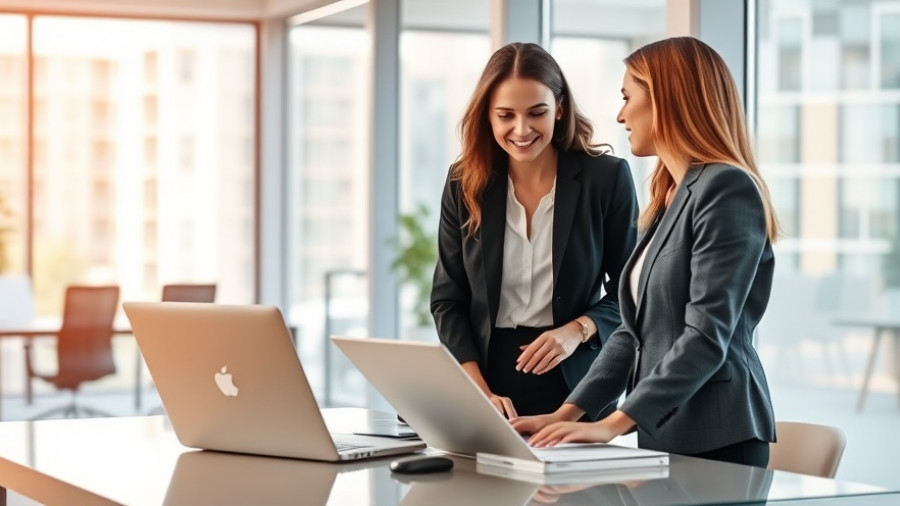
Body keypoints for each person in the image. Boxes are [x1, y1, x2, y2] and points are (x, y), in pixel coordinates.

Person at [511, 36, 779, 468]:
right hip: (665, 434)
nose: (620, 115)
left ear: (667, 101)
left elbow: (706, 336)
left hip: (720, 437)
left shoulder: (727, 189)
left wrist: (615, 423)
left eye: (627, 98)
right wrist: (566, 416)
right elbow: (632, 335)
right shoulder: (669, 195)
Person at [430, 42, 639, 420]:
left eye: (536, 113)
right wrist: (480, 392)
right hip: (485, 380)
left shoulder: (605, 179)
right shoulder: (465, 182)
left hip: (575, 381)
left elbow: (631, 291)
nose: (521, 129)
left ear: (559, 109)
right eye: (505, 115)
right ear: (488, 118)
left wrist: (578, 329)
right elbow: (448, 300)